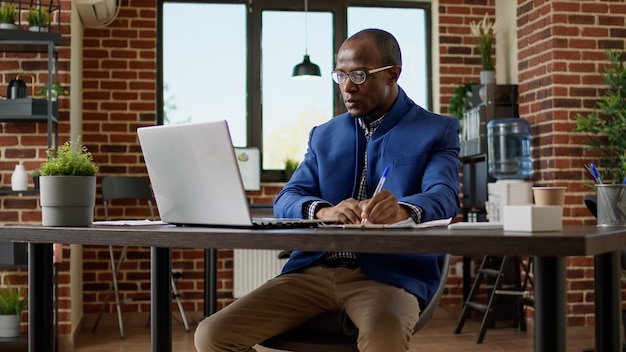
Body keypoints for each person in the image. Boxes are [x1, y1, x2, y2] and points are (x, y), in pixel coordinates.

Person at [194, 28, 460, 352]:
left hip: (389, 276)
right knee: (211, 336)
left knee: (384, 340)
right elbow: (287, 199)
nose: (347, 87)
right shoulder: (323, 135)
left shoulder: (435, 130)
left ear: (393, 74)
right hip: (312, 271)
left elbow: (444, 195)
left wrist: (404, 209)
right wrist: (324, 210)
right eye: (341, 75)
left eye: (359, 75)